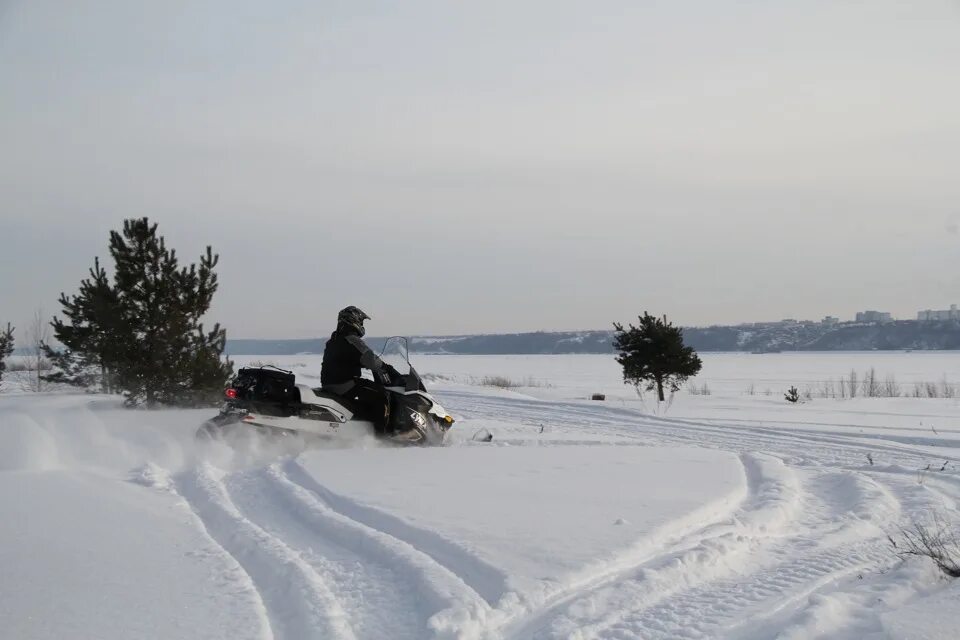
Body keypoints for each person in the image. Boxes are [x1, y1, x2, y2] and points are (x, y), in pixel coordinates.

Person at [320, 306, 397, 433]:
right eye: (361, 321)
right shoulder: (351, 339)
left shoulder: (334, 340)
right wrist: (386, 367)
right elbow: (370, 359)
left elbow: (346, 359)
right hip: (345, 384)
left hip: (330, 384)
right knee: (382, 395)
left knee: (367, 395)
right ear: (353, 320)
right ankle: (381, 435)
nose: (361, 325)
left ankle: (360, 425)